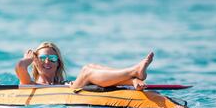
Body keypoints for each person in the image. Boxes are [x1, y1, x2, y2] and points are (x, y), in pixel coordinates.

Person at [15, 42, 154, 90]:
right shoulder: (29, 84)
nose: (47, 62)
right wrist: (28, 59)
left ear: (58, 63)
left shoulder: (63, 82)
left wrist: (132, 82)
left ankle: (133, 79)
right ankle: (134, 71)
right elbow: (20, 67)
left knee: (91, 66)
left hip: (70, 89)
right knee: (86, 71)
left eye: (52, 58)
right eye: (43, 58)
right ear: (35, 61)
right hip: (67, 93)